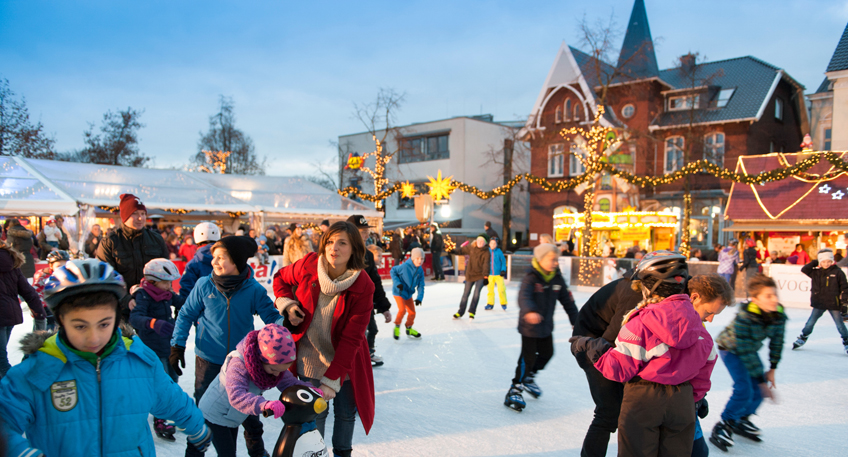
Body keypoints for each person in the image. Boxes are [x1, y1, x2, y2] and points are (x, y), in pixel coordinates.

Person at [0, 259, 212, 457]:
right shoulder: (38, 368)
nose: (94, 338)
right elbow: (5, 422)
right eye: (80, 326)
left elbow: (170, 398)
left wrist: (196, 426)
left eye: (104, 324)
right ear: (60, 320)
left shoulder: (138, 360)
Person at [570, 264, 733, 457]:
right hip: (672, 396)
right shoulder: (642, 304)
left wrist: (591, 348)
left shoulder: (647, 319)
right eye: (710, 312)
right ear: (694, 296)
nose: (711, 320)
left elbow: (620, 366)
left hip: (645, 393)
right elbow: (616, 353)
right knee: (608, 413)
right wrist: (694, 398)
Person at [171, 235, 285, 457]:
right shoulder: (204, 285)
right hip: (209, 362)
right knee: (203, 417)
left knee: (250, 418)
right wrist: (177, 345)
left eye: (221, 257)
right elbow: (185, 315)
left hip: (243, 363)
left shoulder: (253, 289)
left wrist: (287, 326)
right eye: (214, 257)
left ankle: (257, 453)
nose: (214, 262)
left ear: (237, 261)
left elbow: (272, 317)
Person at [272, 221, 376, 457]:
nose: (334, 248)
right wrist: (287, 304)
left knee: (346, 413)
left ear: (354, 249)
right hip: (310, 358)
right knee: (315, 413)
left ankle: (342, 453)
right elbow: (280, 279)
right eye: (329, 241)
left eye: (342, 243)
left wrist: (333, 378)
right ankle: (313, 453)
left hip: (345, 361)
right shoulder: (309, 264)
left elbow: (352, 338)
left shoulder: (363, 285)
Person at [199, 324, 319, 457]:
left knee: (250, 433)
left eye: (281, 370)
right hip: (216, 413)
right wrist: (265, 405)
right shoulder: (238, 364)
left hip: (236, 412)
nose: (276, 375)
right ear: (261, 358)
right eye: (273, 370)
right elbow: (236, 396)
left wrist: (309, 391)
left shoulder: (275, 364)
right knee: (226, 452)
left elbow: (290, 383)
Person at [710, 274, 786, 452]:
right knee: (744, 388)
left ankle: (742, 419)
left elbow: (777, 342)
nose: (774, 299)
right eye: (768, 296)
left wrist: (773, 368)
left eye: (775, 294)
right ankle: (725, 424)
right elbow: (745, 351)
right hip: (730, 349)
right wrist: (760, 380)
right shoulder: (746, 317)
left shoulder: (778, 315)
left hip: (749, 350)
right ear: (755, 299)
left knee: (760, 389)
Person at [504, 243, 577, 411]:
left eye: (556, 260)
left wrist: (577, 321)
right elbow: (524, 297)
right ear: (541, 259)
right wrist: (529, 311)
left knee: (547, 353)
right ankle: (515, 388)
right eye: (552, 259)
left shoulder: (556, 278)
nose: (555, 263)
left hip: (545, 326)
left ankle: (529, 377)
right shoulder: (531, 277)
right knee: (527, 358)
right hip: (529, 326)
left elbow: (568, 302)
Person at [129, 258, 185, 441]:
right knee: (161, 382)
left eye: (171, 282)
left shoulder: (167, 294)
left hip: (168, 345)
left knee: (173, 379)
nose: (170, 286)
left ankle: (170, 410)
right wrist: (154, 323)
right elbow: (135, 318)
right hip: (152, 347)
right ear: (152, 281)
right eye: (166, 282)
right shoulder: (143, 295)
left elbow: (183, 303)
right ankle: (159, 419)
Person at [96, 193, 169, 316]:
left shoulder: (156, 240)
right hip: (121, 309)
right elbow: (104, 278)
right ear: (125, 216)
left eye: (143, 214)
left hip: (153, 308)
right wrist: (125, 300)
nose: (140, 218)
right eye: (135, 214)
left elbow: (166, 273)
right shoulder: (110, 242)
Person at [346, 215, 392, 367]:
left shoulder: (367, 255)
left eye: (366, 232)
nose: (366, 236)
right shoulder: (340, 252)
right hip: (344, 307)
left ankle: (365, 357)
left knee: (369, 330)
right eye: (362, 232)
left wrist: (384, 307)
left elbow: (375, 282)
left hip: (364, 304)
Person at [0, 243, 46, 378]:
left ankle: (16, 389)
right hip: (9, 314)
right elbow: (28, 291)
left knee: (1, 361)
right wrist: (39, 312)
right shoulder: (11, 263)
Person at [792, 248, 848, 353]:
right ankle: (803, 337)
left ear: (832, 261)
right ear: (819, 262)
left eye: (828, 261)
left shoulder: (838, 272)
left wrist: (844, 303)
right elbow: (804, 269)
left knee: (840, 324)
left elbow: (845, 289)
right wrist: (816, 261)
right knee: (810, 322)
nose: (826, 264)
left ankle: (846, 342)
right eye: (823, 261)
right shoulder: (816, 272)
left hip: (833, 303)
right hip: (819, 303)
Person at [450, 234, 491, 319]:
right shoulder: (472, 248)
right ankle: (460, 312)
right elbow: (462, 250)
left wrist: (486, 277)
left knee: (476, 294)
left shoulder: (486, 252)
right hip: (470, 274)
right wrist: (453, 251)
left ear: (485, 243)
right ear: (476, 241)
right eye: (478, 240)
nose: (480, 242)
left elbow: (486, 265)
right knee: (465, 294)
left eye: (482, 241)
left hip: (480, 276)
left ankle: (472, 311)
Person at [179, 222, 221, 300]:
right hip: (224, 307)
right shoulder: (229, 260)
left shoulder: (193, 264)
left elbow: (187, 289)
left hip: (201, 306)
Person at [31, 250, 70, 332]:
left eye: (64, 266)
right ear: (51, 266)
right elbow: (36, 293)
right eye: (58, 266)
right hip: (45, 310)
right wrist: (41, 308)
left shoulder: (68, 275)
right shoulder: (42, 276)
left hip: (61, 309)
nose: (62, 269)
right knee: (43, 333)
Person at [391, 247, 425, 340]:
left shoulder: (420, 270)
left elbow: (421, 285)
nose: (420, 261)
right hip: (399, 291)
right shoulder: (405, 266)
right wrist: (398, 283)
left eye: (422, 259)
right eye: (417, 258)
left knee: (412, 313)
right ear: (413, 258)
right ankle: (397, 327)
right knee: (402, 310)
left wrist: (419, 298)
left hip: (408, 293)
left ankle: (409, 328)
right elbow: (393, 270)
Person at [485, 237, 508, 311]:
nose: (493, 245)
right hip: (490, 274)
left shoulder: (499, 251)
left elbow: (503, 261)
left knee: (501, 289)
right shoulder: (487, 252)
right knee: (490, 290)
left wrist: (503, 270)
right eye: (491, 243)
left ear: (496, 244)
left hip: (498, 274)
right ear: (489, 244)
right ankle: (490, 304)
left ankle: (503, 303)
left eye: (494, 243)